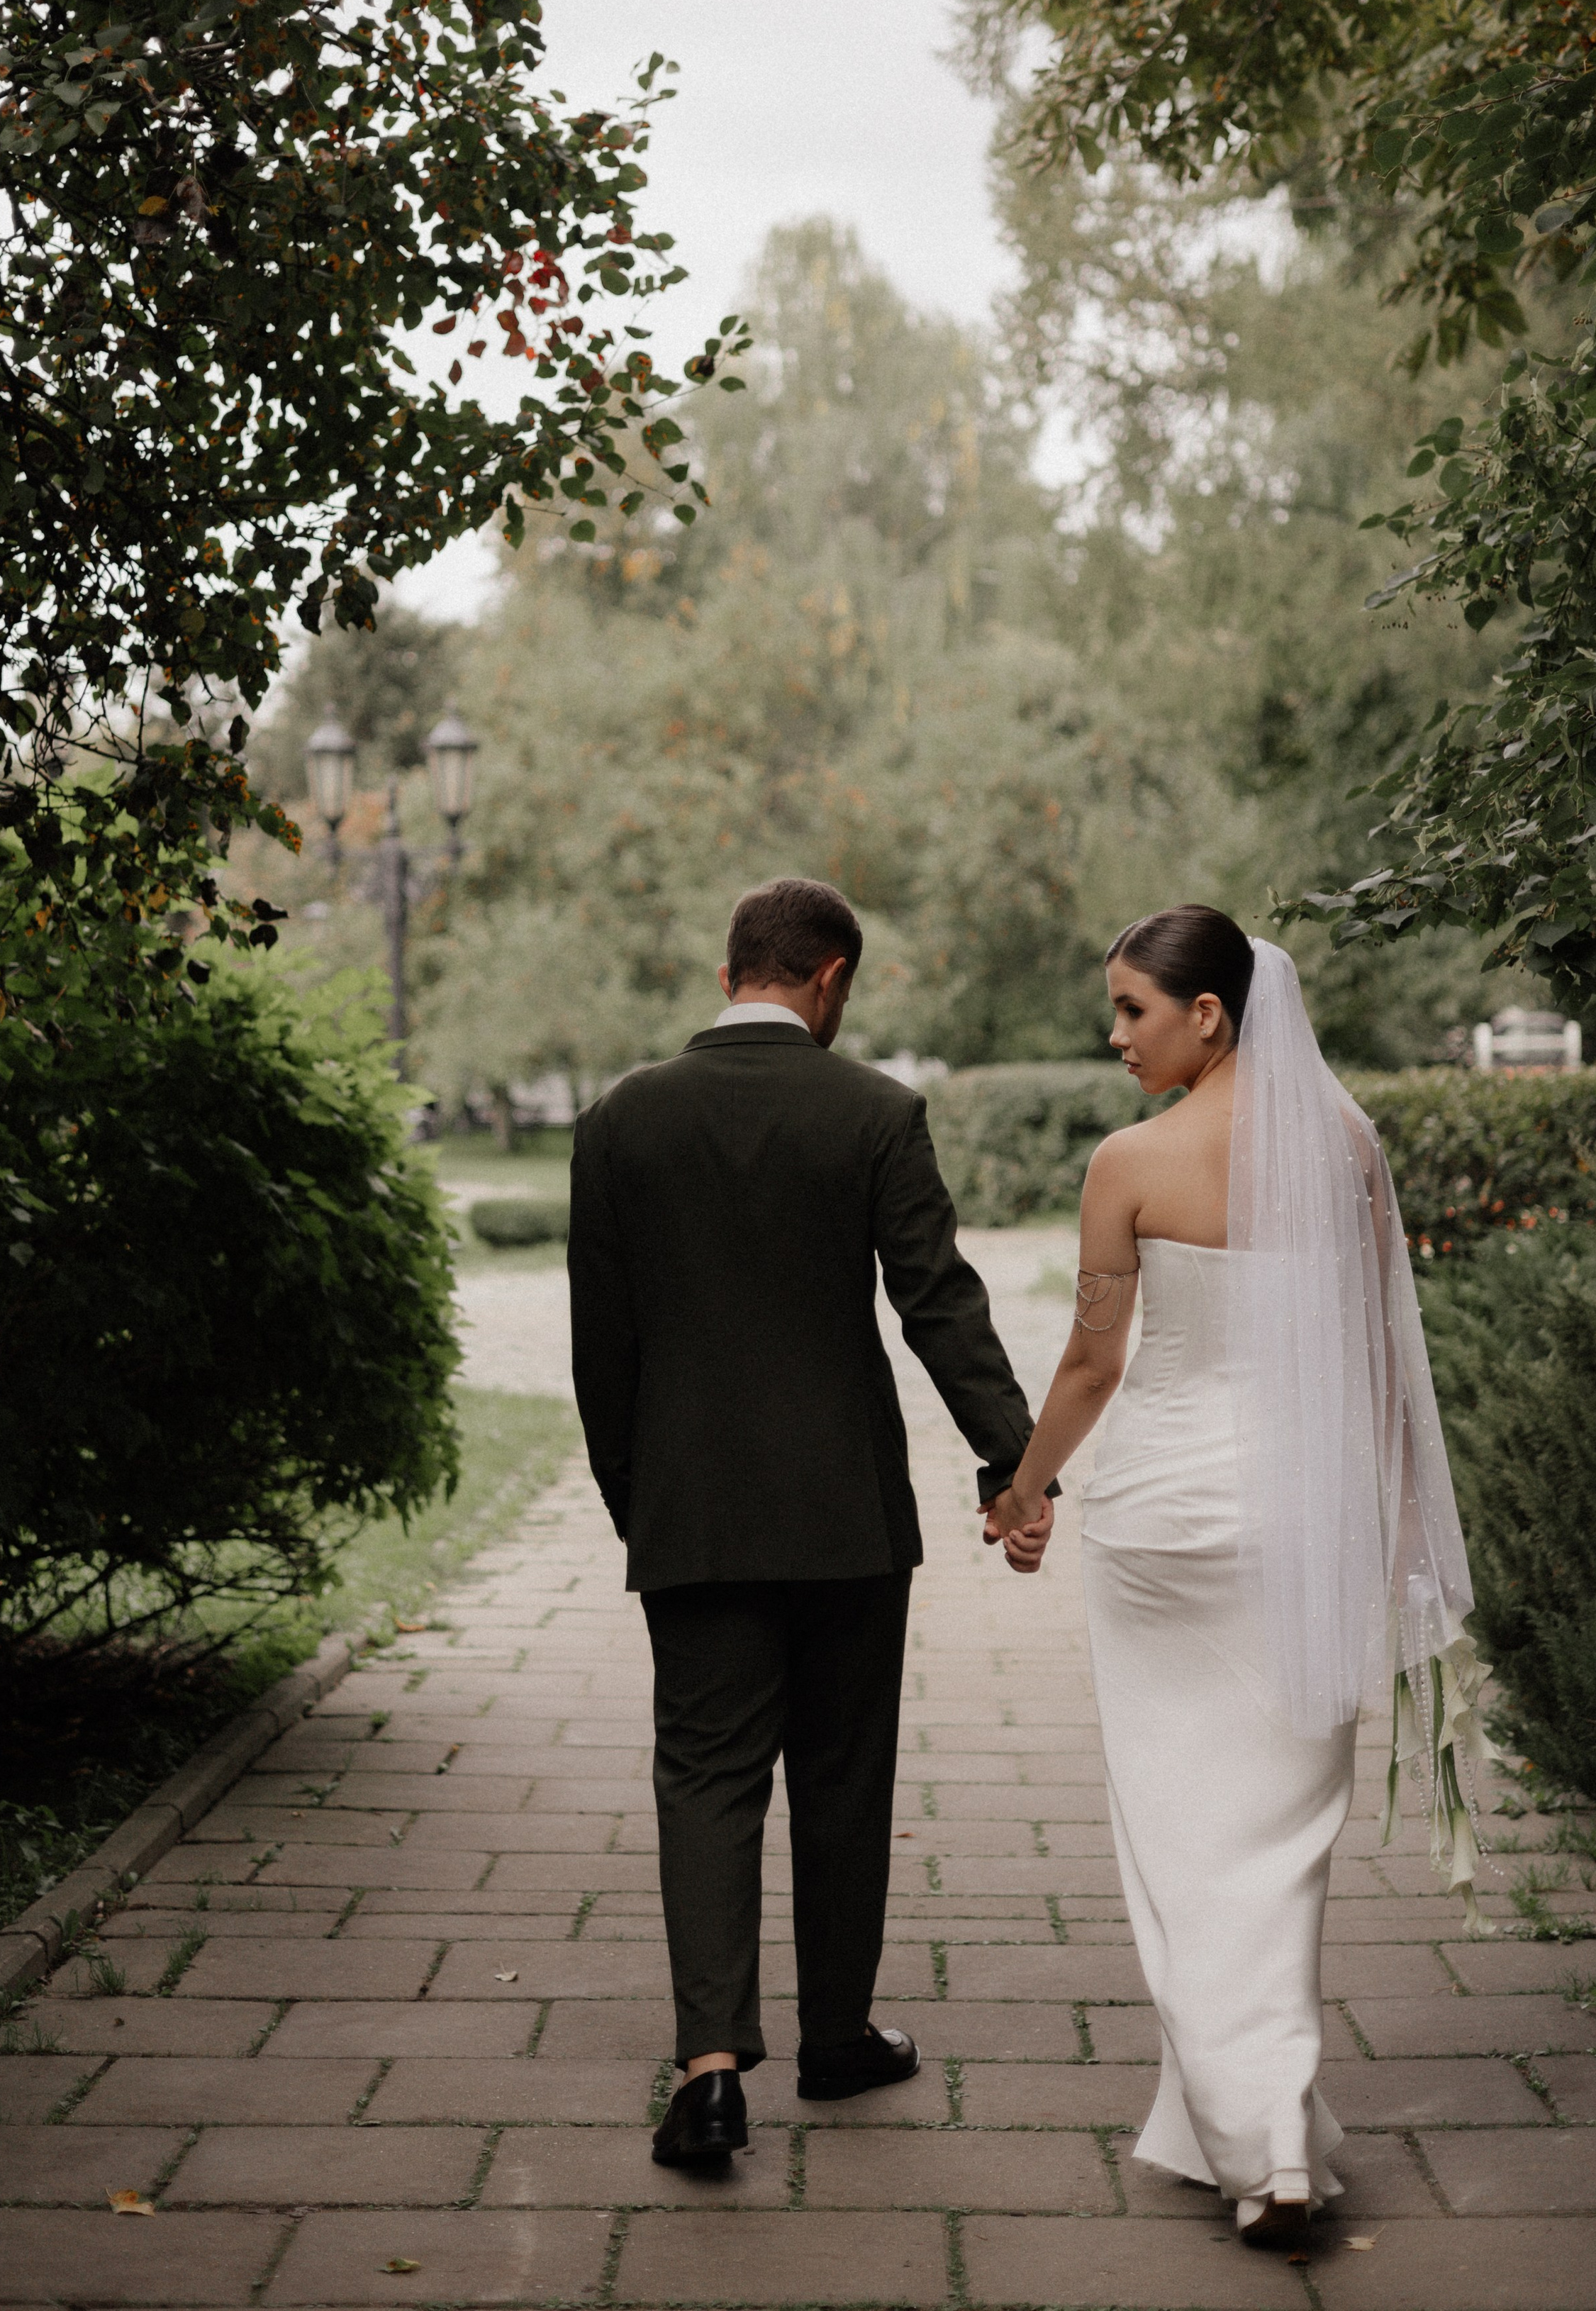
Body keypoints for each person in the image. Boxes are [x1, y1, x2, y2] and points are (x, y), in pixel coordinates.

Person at [982, 907, 1480, 2250]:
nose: (1116, 1032)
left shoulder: (1131, 1161)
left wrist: (1026, 1492)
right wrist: (1386, 1533)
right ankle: (1265, 2132)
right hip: (1299, 1527)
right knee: (1280, 1848)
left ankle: (1260, 2144)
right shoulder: (1349, 1151)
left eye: (1135, 1007)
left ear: (1211, 1013)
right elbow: (1379, 1359)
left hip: (1159, 1528)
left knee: (1184, 1839)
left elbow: (1093, 1365)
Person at [569, 874, 1054, 2168]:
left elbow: (599, 1351)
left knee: (708, 1778)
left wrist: (644, 1508)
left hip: (696, 1517)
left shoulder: (622, 1122)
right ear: (829, 977)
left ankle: (712, 2071)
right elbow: (938, 1304)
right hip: (848, 1514)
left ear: (734, 970)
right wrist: (1020, 1467)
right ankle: (836, 2037)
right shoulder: (876, 1113)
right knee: (844, 1776)